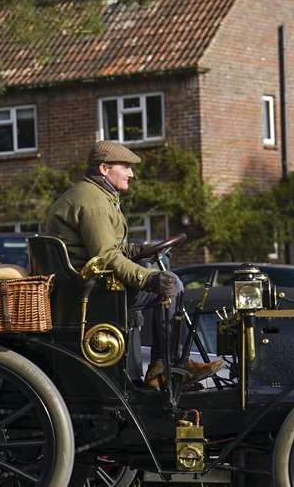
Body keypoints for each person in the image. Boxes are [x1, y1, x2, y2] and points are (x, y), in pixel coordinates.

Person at [44, 140, 220, 389]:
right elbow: (105, 255)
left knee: (167, 282)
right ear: (104, 168)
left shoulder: (93, 195)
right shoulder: (93, 202)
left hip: (84, 287)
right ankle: (163, 366)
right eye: (125, 167)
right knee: (172, 287)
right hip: (91, 293)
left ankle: (165, 365)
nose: (131, 173)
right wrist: (148, 279)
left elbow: (103, 247)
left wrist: (139, 250)